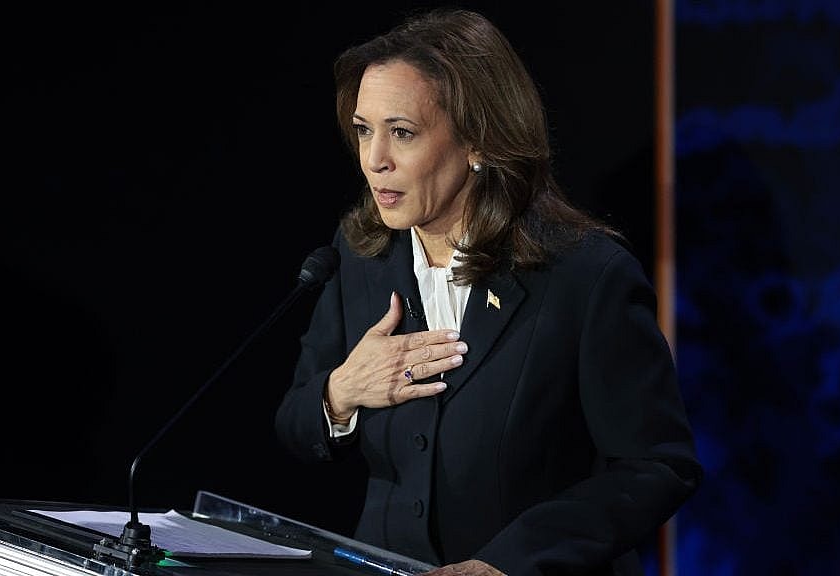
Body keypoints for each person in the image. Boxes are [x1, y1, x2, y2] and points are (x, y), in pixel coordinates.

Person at [274, 8, 702, 576]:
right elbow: (295, 423)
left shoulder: (583, 274)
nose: (373, 159)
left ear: (478, 141)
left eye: (401, 132)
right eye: (363, 130)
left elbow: (655, 466)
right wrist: (341, 392)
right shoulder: (360, 257)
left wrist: (506, 564)